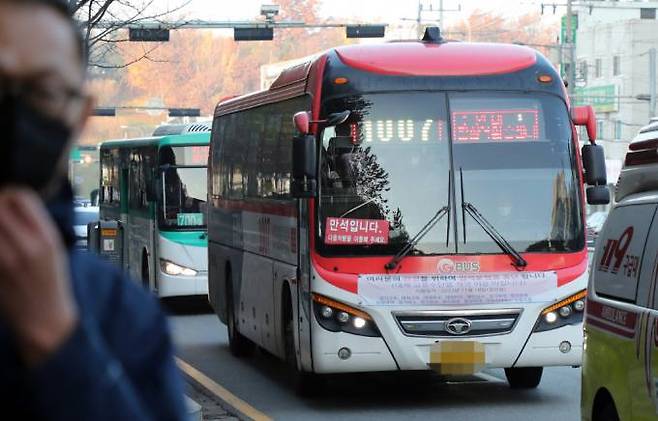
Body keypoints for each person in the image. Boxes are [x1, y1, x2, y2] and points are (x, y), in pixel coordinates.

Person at [0, 0, 188, 419]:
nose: (13, 113)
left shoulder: (125, 316)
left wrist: (58, 340)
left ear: (80, 115)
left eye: (42, 92)